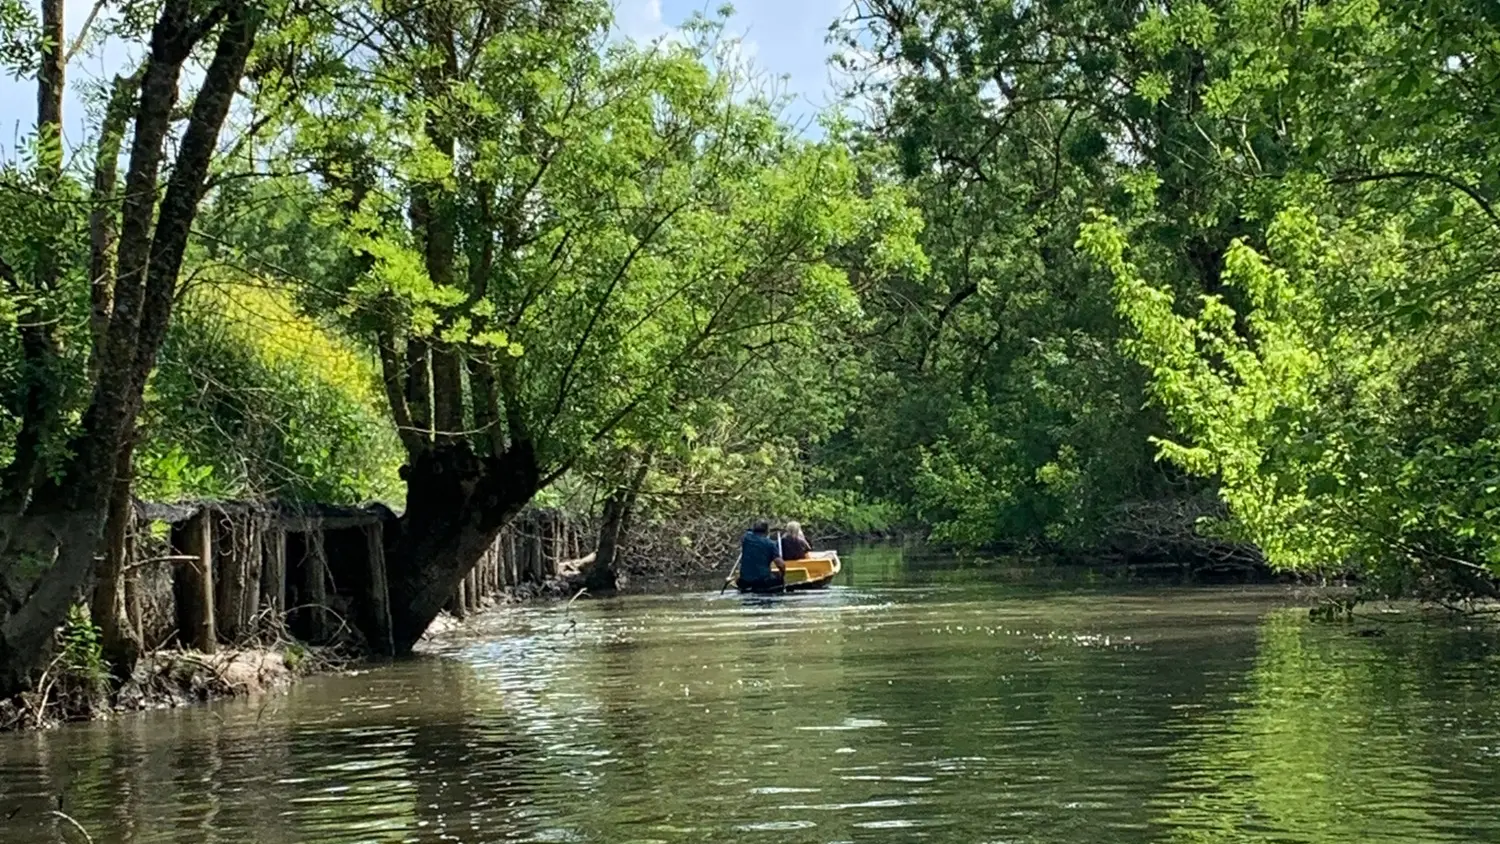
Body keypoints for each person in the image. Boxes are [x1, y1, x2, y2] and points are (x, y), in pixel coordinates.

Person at [738, 520, 784, 590]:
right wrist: (782, 573)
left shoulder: (746, 538)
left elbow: (749, 532)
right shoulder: (770, 544)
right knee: (779, 579)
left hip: (744, 581)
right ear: (767, 531)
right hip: (762, 582)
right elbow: (781, 564)